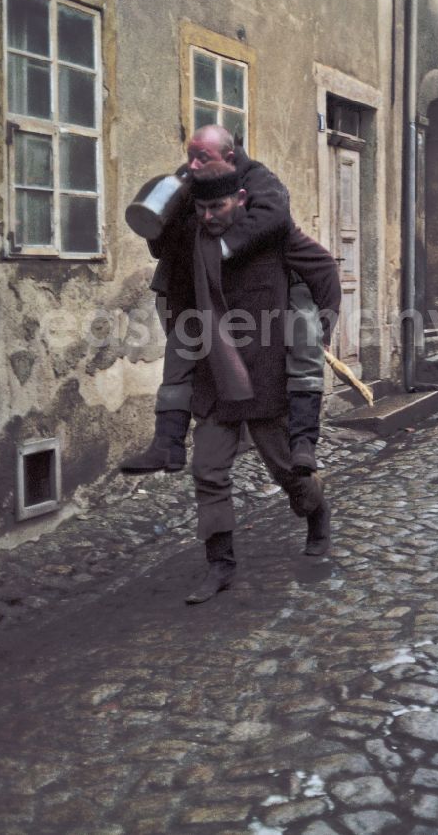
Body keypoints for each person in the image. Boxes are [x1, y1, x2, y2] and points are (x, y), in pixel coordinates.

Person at [156, 160, 341, 604]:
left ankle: (316, 513)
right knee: (208, 471)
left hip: (266, 380)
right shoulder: (194, 245)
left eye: (216, 206)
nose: (208, 217)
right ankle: (220, 563)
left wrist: (318, 337)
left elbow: (325, 274)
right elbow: (175, 306)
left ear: (240, 200)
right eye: (201, 208)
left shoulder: (273, 238)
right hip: (216, 382)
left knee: (286, 471)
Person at [119, 124, 327, 477]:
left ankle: (304, 445)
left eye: (203, 156)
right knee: (179, 359)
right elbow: (160, 237)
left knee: (302, 352)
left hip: (261, 297)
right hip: (189, 291)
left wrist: (224, 249)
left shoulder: (259, 179)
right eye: (190, 156)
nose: (194, 164)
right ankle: (166, 444)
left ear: (229, 157)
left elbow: (275, 217)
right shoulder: (187, 182)